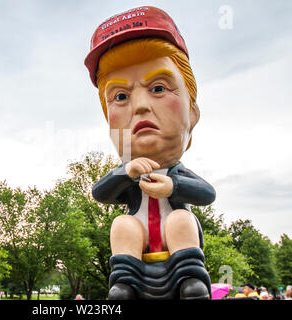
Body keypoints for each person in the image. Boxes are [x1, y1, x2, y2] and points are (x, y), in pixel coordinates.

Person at [86, 6, 215, 300]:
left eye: (158, 88)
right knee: (122, 223)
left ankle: (190, 280)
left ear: (192, 114)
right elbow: (100, 193)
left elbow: (207, 194)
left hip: (176, 252)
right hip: (138, 252)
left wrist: (174, 186)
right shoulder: (129, 173)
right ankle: (124, 283)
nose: (140, 107)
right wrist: (124, 172)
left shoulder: (175, 171)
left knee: (181, 221)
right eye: (120, 96)